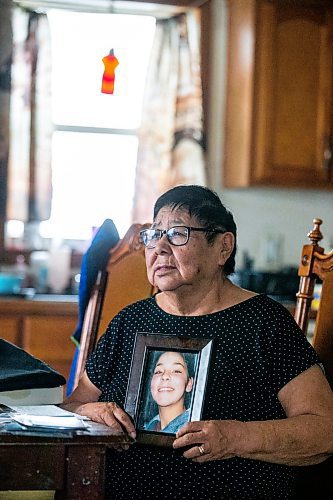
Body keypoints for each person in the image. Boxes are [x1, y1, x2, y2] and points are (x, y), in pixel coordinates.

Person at [61, 185, 333, 499]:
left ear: (223, 247)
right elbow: (71, 405)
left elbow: (324, 431)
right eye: (153, 234)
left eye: (177, 233)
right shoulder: (130, 320)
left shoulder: (264, 322)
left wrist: (235, 437)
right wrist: (90, 413)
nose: (159, 248)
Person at [143, 351, 194, 433]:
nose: (165, 376)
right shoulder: (146, 426)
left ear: (189, 384)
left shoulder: (194, 428)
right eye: (158, 372)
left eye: (176, 371)